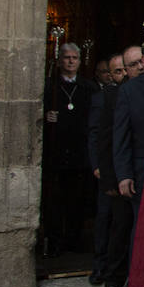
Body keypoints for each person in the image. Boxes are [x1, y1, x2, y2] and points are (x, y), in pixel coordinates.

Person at [111, 44, 144, 287]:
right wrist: (124, 173)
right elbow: (121, 135)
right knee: (140, 232)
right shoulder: (130, 91)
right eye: (136, 62)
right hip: (142, 172)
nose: (141, 65)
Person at [42, 43, 93, 259]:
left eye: (75, 58)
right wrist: (46, 117)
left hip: (79, 152)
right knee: (55, 202)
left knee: (76, 201)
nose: (71, 61)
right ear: (60, 60)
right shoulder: (50, 86)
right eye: (66, 57)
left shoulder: (88, 87)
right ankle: (54, 241)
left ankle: (74, 240)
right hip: (57, 153)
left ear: (80, 61)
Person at [87, 53, 128, 287]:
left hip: (127, 174)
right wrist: (100, 168)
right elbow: (100, 137)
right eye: (119, 71)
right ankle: (102, 268)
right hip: (109, 172)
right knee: (106, 221)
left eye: (127, 69)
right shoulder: (105, 97)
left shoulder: (134, 92)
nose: (124, 74)